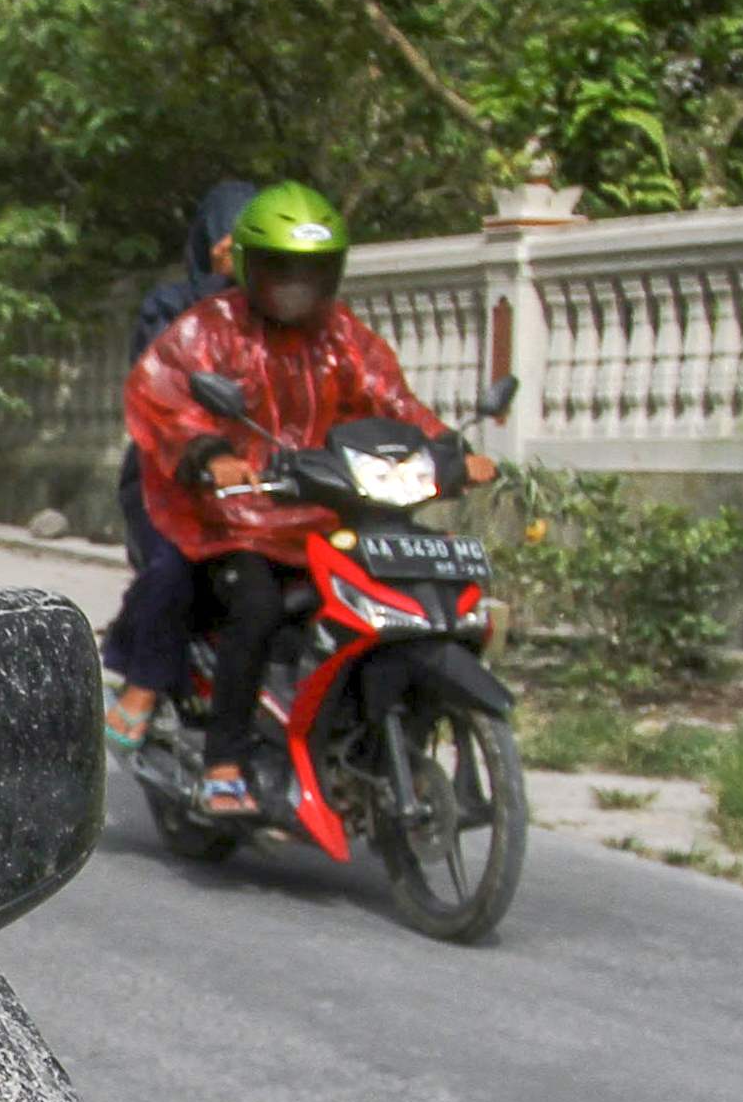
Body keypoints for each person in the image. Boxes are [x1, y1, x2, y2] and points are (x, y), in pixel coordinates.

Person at [122, 181, 486, 820]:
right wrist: (212, 456)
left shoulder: (343, 336)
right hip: (232, 519)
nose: (297, 285)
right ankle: (225, 762)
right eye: (283, 269)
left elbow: (391, 400)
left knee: (394, 594)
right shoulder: (211, 329)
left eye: (312, 271)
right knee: (257, 604)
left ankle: (367, 736)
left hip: (322, 507)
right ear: (251, 267)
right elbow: (165, 397)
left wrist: (447, 449)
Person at [101, 178, 259, 752]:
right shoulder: (172, 306)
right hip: (168, 474)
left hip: (266, 479)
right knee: (177, 562)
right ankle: (142, 684)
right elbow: (159, 387)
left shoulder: (285, 317)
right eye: (230, 239)